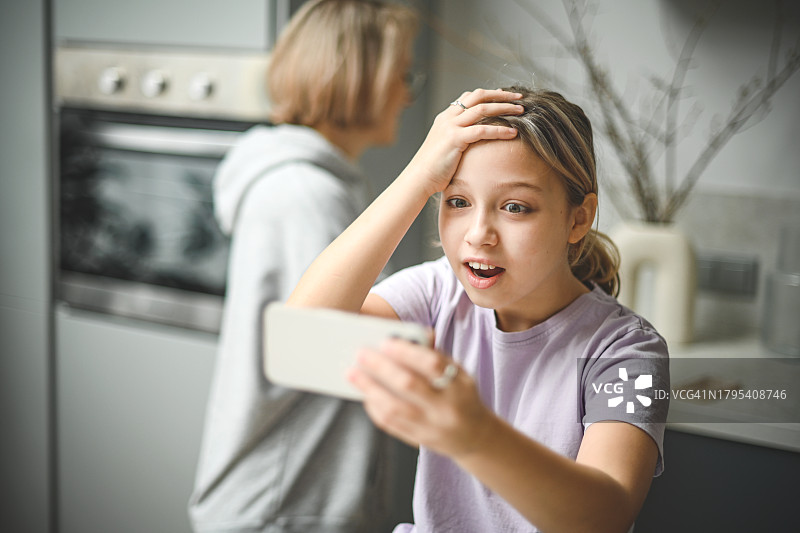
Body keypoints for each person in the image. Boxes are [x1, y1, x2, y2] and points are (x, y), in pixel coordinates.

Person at [288, 86, 670, 533]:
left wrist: (475, 436)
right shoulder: (438, 294)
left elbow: (604, 518)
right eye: (457, 201)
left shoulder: (628, 352)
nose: (478, 234)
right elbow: (299, 342)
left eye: (515, 207)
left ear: (578, 218)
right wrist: (419, 175)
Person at [188, 1, 419, 532]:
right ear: (359, 78)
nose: (407, 93)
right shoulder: (305, 194)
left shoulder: (312, 183)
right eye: (401, 74)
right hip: (284, 505)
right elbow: (336, 346)